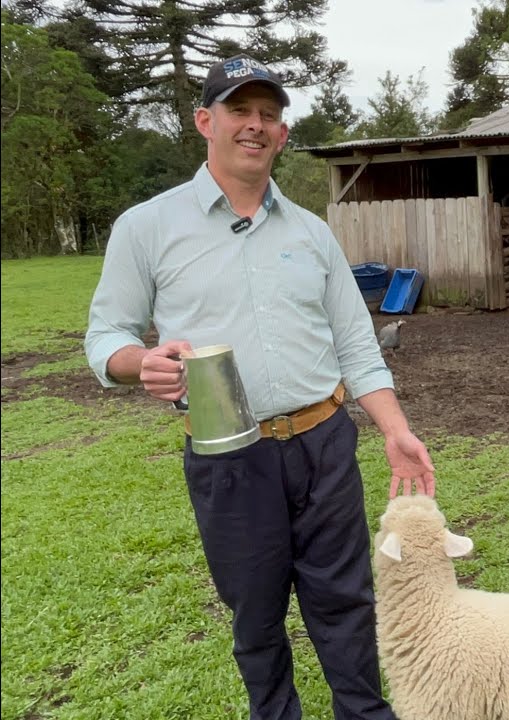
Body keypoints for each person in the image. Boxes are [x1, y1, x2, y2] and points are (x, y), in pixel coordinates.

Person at [84, 54, 431, 720]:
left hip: (323, 443)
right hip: (228, 458)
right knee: (257, 611)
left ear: (283, 133)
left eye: (269, 115)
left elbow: (357, 344)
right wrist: (140, 362)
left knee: (346, 601)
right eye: (240, 111)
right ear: (204, 121)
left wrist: (394, 429)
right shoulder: (148, 227)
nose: (256, 125)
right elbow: (106, 336)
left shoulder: (312, 233)